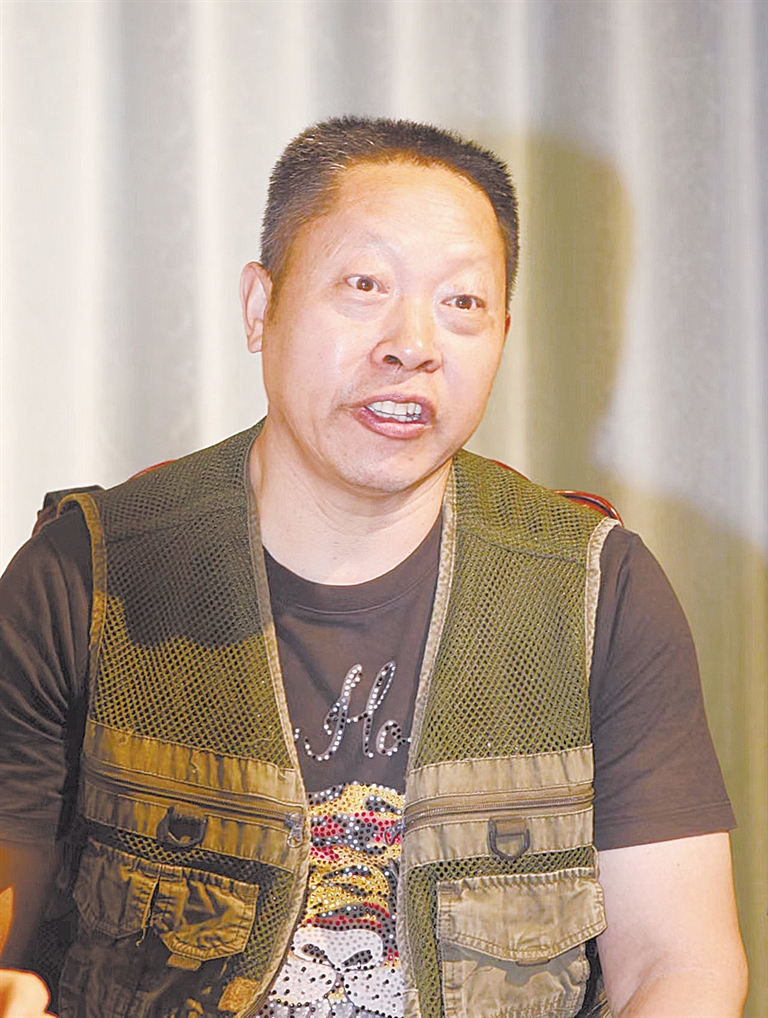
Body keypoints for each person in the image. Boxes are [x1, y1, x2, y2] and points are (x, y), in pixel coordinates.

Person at [0, 117, 747, 1018]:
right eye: (364, 285)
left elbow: (680, 963)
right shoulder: (85, 578)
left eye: (462, 303)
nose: (413, 343)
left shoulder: (596, 591)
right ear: (260, 307)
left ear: (504, 335)